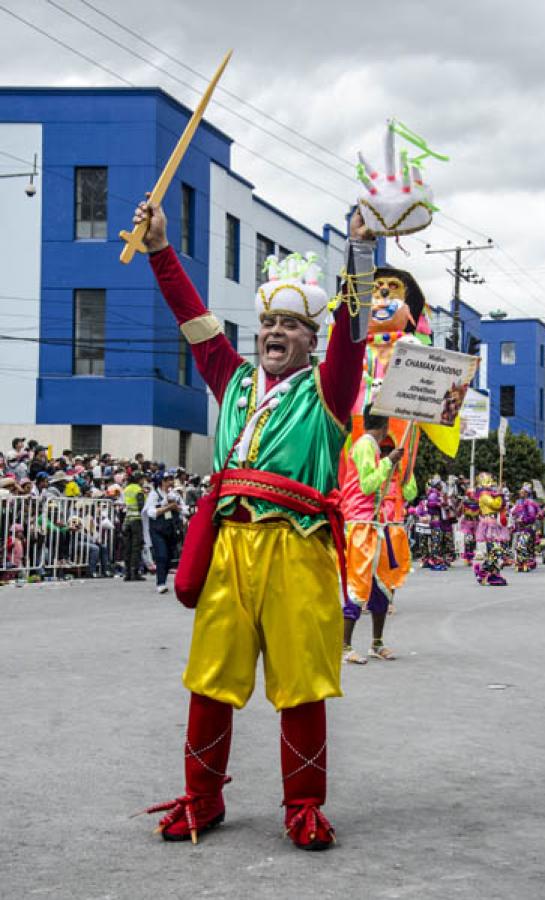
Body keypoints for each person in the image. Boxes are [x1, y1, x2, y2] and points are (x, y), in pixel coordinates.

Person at [131, 198, 367, 850]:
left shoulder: (329, 392)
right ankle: (201, 801)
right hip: (231, 547)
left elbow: (353, 331)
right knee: (209, 681)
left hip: (298, 553)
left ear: (310, 339)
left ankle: (304, 807)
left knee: (301, 688)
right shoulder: (230, 380)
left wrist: (362, 256)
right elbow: (192, 318)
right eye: (267, 322)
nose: (273, 332)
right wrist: (159, 249)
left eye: (289, 325)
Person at [341, 411, 416, 664]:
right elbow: (367, 486)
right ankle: (344, 646)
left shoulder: (372, 447)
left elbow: (407, 491)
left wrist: (394, 465)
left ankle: (377, 643)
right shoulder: (364, 445)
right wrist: (388, 463)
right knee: (358, 584)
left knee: (382, 586)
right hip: (360, 524)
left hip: (377, 524)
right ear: (385, 426)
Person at [144, 471, 182, 594]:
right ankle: (160, 583)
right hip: (157, 530)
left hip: (170, 529)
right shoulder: (154, 495)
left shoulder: (174, 494)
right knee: (161, 555)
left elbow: (184, 509)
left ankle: (163, 579)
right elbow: (151, 512)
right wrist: (167, 507)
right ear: (161, 482)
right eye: (167, 479)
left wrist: (178, 508)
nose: (171, 482)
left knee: (169, 557)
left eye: (171, 479)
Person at [122, 470, 146, 582]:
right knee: (136, 547)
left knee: (127, 547)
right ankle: (134, 572)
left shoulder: (126, 489)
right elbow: (141, 506)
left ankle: (127, 573)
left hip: (127, 520)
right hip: (136, 520)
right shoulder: (138, 490)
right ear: (139, 479)